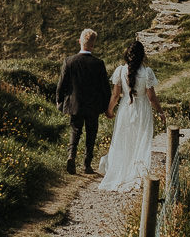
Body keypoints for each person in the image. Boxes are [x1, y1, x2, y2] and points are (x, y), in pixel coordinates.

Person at [98, 38, 165, 193]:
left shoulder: (120, 71)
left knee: (124, 139)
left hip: (125, 109)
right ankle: (136, 171)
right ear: (142, 56)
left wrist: (109, 110)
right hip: (142, 109)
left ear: (127, 55)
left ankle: (121, 168)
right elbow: (151, 97)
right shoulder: (147, 72)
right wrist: (160, 111)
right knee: (141, 140)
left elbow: (115, 95)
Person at [55, 28, 111, 175]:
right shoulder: (99, 63)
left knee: (75, 130)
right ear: (93, 45)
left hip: (75, 104)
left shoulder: (69, 61)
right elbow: (105, 88)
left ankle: (71, 156)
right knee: (91, 133)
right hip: (93, 105)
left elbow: (61, 85)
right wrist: (106, 106)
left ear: (79, 41)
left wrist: (59, 101)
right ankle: (87, 164)